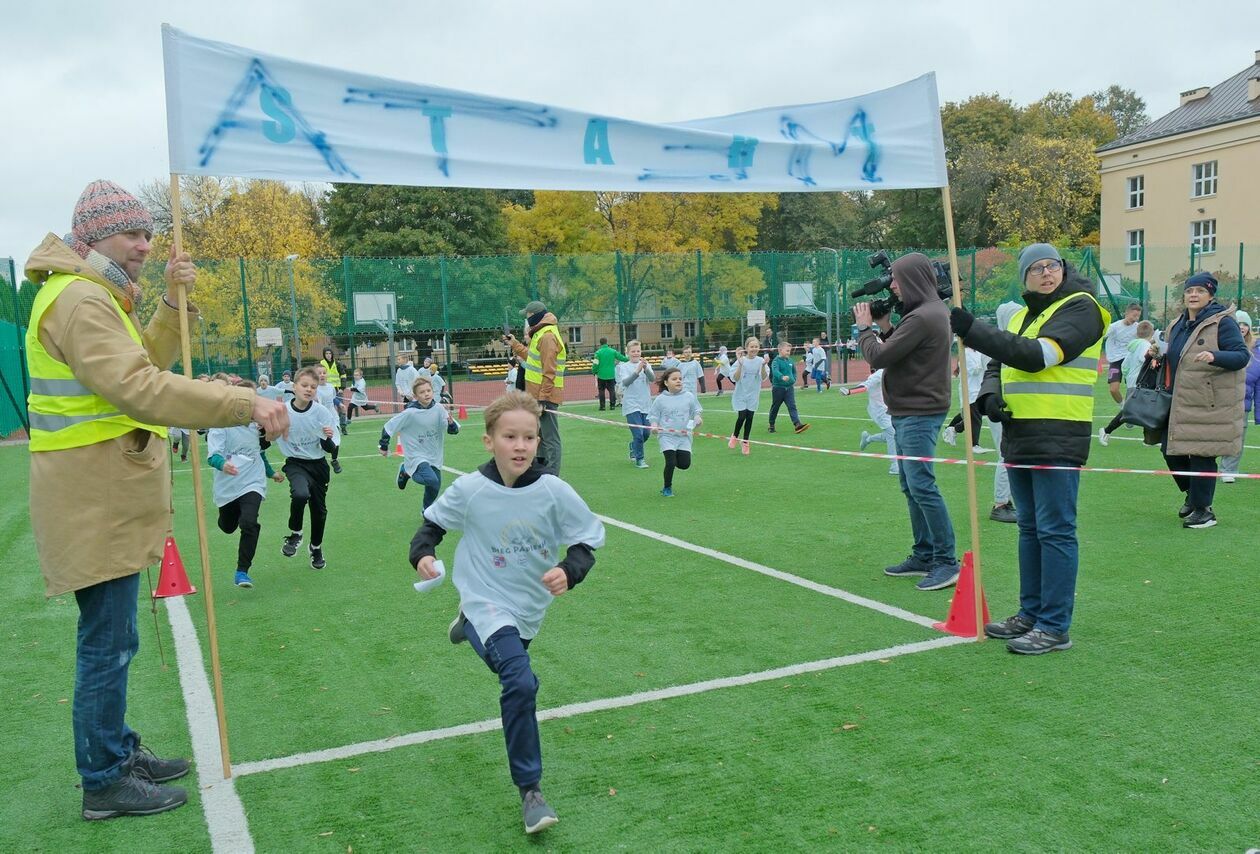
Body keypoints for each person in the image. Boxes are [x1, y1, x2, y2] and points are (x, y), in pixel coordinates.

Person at [24, 179, 288, 819]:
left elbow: (140, 359)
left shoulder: (92, 294)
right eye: (133, 233)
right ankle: (104, 778)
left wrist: (171, 304)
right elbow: (140, 386)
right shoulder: (83, 301)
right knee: (107, 643)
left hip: (99, 493)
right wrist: (239, 402)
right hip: (94, 496)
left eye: (148, 232)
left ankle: (114, 750)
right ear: (93, 236)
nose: (146, 244)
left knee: (115, 638)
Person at [409, 391, 605, 835]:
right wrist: (421, 554)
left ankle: (466, 626)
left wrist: (569, 570)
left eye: (529, 437)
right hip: (485, 597)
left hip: (529, 608)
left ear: (539, 442)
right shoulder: (471, 489)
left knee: (516, 664)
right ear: (489, 441)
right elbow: (432, 526)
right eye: (510, 436)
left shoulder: (554, 491)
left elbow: (587, 539)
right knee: (520, 680)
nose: (520, 446)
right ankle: (531, 791)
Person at [950, 243, 1108, 653]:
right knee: (1031, 529)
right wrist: (988, 396)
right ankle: (1031, 613)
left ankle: (1054, 626)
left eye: (1052, 265)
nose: (1045, 273)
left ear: (1063, 269)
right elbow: (997, 364)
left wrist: (972, 330)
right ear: (1025, 277)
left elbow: (1037, 357)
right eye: (1036, 268)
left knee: (1055, 531)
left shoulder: (1081, 307)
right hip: (1020, 433)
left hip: (1059, 434)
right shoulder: (1023, 315)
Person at [855, 253, 958, 593]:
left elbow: (879, 357)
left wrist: (866, 329)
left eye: (897, 279)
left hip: (919, 411)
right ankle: (925, 553)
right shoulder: (926, 312)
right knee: (912, 486)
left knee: (922, 486)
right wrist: (884, 327)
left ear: (913, 280)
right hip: (910, 409)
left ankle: (945, 561)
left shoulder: (924, 315)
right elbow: (902, 349)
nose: (893, 286)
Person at [1156, 273, 1249, 528]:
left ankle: (1204, 511)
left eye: (1199, 290)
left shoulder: (1223, 323)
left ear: (1211, 295)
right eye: (1189, 291)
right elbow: (1174, 357)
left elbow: (1241, 357)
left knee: (1202, 455)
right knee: (1169, 450)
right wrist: (1156, 354)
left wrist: (1214, 356)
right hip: (1177, 399)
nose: (1193, 295)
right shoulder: (1177, 323)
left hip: (1208, 401)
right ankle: (1192, 495)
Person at [207, 380, 286, 588]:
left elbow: (258, 452)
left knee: (249, 522)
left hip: (253, 481)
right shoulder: (221, 425)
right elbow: (212, 456)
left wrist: (271, 473)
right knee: (227, 526)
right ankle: (225, 519)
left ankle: (242, 571)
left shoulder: (257, 425)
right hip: (227, 485)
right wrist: (223, 464)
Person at [277, 366, 340, 569]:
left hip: (319, 466)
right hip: (295, 463)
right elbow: (266, 436)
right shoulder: (282, 411)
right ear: (294, 387)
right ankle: (295, 534)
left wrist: (327, 437)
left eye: (313, 386)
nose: (309, 389)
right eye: (304, 385)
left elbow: (330, 448)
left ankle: (316, 547)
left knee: (319, 511)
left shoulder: (321, 413)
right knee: (300, 494)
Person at [379, 375, 460, 513]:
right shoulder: (410, 413)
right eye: (422, 392)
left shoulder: (439, 409)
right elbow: (388, 427)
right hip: (416, 455)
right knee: (432, 480)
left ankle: (426, 509)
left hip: (434, 454)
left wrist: (452, 424)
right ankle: (406, 470)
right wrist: (384, 446)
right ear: (416, 396)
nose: (426, 394)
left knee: (435, 485)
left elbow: (454, 431)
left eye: (428, 390)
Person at [505, 300, 566, 475]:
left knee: (550, 437)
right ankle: (540, 470)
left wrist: (544, 399)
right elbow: (532, 358)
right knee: (538, 435)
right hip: (536, 395)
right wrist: (515, 344)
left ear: (536, 315)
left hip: (543, 395)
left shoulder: (547, 336)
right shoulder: (540, 333)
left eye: (528, 315)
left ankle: (552, 476)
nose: (527, 318)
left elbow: (549, 371)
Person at [1098, 320, 1159, 445]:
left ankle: (1149, 440)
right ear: (1152, 333)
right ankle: (1106, 430)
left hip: (1134, 382)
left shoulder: (1133, 345)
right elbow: (1144, 359)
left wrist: (1128, 377)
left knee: (1148, 410)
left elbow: (1125, 365)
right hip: (1141, 383)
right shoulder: (1144, 345)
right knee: (1130, 411)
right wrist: (1155, 359)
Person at [648, 366, 703, 496]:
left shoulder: (689, 396)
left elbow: (696, 411)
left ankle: (676, 457)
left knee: (684, 464)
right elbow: (653, 416)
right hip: (666, 436)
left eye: (680, 378)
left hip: (684, 436)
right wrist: (654, 426)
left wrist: (697, 418)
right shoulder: (660, 399)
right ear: (666, 383)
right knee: (670, 461)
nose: (678, 381)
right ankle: (667, 488)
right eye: (674, 379)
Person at [839, 369, 898, 476]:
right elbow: (865, 386)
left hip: (891, 409)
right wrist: (849, 392)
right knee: (892, 433)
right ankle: (894, 466)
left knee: (893, 434)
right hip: (880, 411)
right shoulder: (879, 374)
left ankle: (868, 439)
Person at [1221, 311, 1257, 483]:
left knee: (1238, 436)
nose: (1242, 327)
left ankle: (1229, 469)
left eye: (1245, 324)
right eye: (1239, 324)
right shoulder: (1222, 345)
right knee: (1216, 434)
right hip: (1219, 401)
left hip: (1243, 403)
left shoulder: (1256, 351)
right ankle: (1207, 467)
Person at [942, 345, 991, 453]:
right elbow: (973, 370)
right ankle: (974, 444)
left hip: (979, 388)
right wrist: (984, 366)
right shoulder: (965, 353)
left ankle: (953, 429)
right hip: (969, 390)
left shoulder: (978, 352)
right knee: (975, 417)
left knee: (968, 416)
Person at [617, 339, 655, 469]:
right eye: (633, 351)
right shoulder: (623, 366)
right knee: (638, 433)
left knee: (646, 434)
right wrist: (637, 371)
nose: (636, 353)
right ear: (627, 353)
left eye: (638, 351)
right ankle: (640, 459)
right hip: (631, 405)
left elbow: (652, 379)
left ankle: (633, 446)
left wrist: (645, 369)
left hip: (646, 404)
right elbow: (626, 383)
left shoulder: (645, 364)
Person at [728, 337, 768, 456]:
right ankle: (735, 435)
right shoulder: (741, 360)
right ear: (746, 348)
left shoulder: (761, 361)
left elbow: (764, 377)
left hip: (753, 394)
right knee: (742, 416)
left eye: (756, 346)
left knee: (750, 417)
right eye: (751, 347)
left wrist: (763, 365)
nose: (754, 349)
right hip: (740, 393)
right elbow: (735, 378)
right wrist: (740, 364)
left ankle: (745, 441)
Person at [1103, 303, 1143, 405]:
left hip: (1130, 361)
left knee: (1135, 387)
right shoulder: (1114, 327)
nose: (1136, 318)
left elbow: (1146, 339)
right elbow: (1101, 336)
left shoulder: (1138, 328)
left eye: (1138, 316)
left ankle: (1134, 407)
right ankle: (1123, 406)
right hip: (1115, 361)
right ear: (1126, 313)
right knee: (1113, 389)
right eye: (1134, 315)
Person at [767, 340, 809, 434]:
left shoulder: (790, 361)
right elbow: (775, 371)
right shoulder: (776, 361)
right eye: (787, 350)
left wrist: (793, 379)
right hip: (778, 388)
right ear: (780, 350)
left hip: (789, 388)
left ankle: (797, 424)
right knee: (775, 407)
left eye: (789, 351)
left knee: (792, 406)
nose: (788, 353)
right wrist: (782, 377)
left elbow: (794, 371)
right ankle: (771, 424)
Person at [315, 365, 344, 474]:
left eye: (324, 373)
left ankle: (334, 460)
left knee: (336, 438)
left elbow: (333, 399)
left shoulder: (331, 387)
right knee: (321, 440)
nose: (322, 375)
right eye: (319, 373)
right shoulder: (314, 388)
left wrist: (340, 404)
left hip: (332, 417)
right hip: (320, 418)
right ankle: (318, 460)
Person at [319, 346, 349, 435]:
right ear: (324, 355)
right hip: (325, 390)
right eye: (326, 354)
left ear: (332, 354)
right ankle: (329, 427)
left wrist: (342, 388)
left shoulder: (337, 363)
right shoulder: (321, 363)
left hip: (337, 389)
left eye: (330, 353)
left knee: (341, 407)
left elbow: (343, 375)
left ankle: (343, 426)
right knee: (326, 408)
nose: (328, 355)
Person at [592, 337, 627, 411]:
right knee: (612, 390)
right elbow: (621, 358)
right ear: (607, 342)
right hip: (611, 374)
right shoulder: (613, 351)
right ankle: (612, 405)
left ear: (600, 343)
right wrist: (629, 359)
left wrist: (594, 371)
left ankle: (602, 406)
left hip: (601, 374)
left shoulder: (598, 353)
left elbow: (595, 364)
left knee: (601, 391)